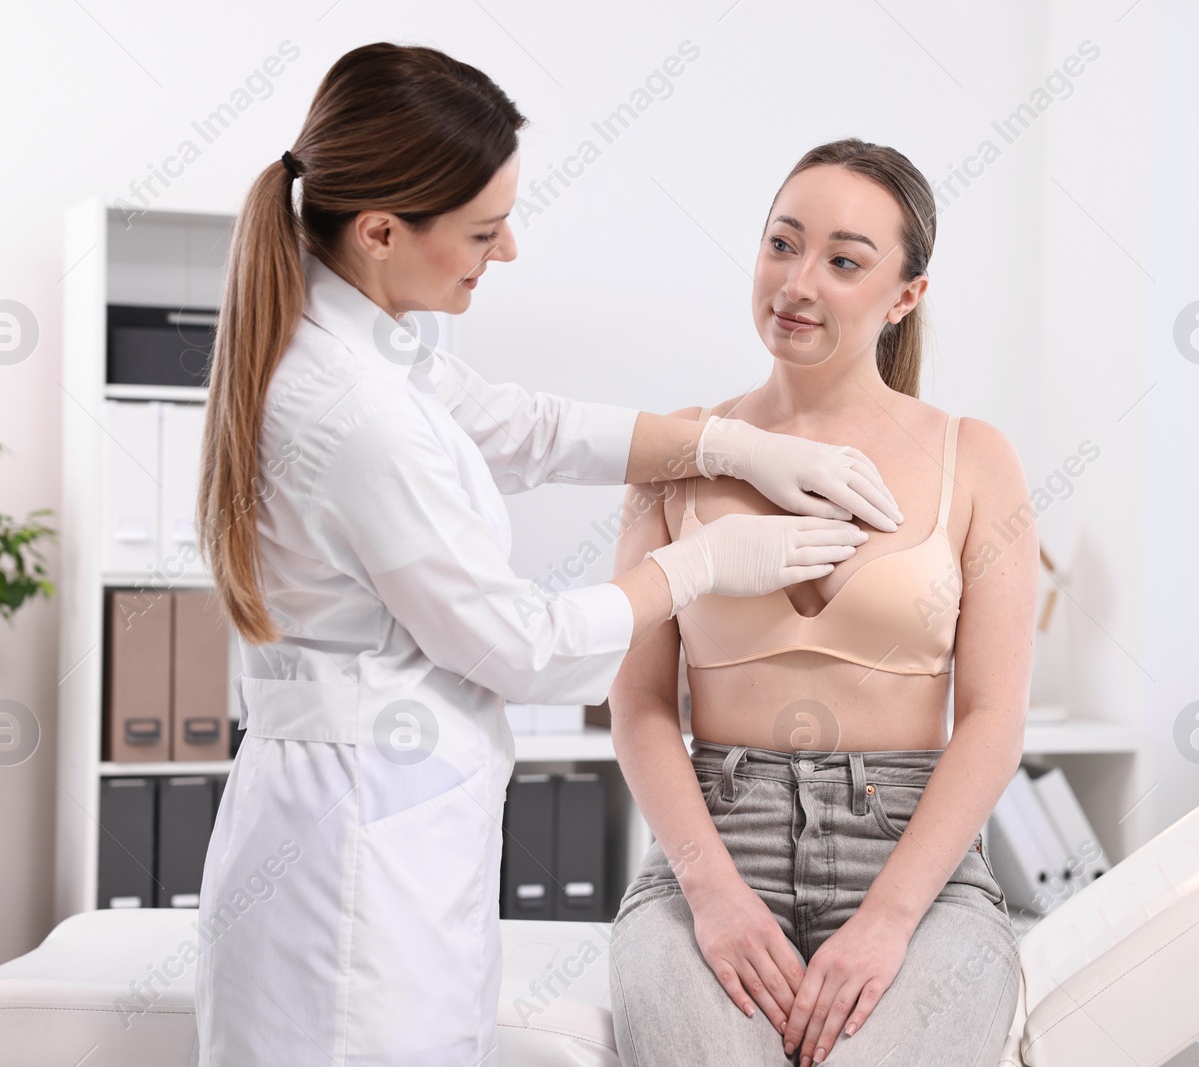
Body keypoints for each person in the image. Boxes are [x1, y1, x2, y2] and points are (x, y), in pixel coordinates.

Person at [188, 46, 906, 1067]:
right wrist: (701, 564)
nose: (510, 248)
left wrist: (724, 445)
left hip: (386, 824)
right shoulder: (351, 411)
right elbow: (520, 646)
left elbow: (518, 423)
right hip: (352, 861)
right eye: (484, 229)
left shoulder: (360, 344)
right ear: (383, 229)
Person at [608, 139, 1038, 1066]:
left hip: (916, 866)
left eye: (844, 261)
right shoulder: (675, 450)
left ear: (905, 295)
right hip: (716, 849)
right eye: (781, 244)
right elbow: (638, 702)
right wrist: (712, 892)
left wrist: (887, 919)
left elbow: (996, 717)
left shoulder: (977, 458)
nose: (798, 282)